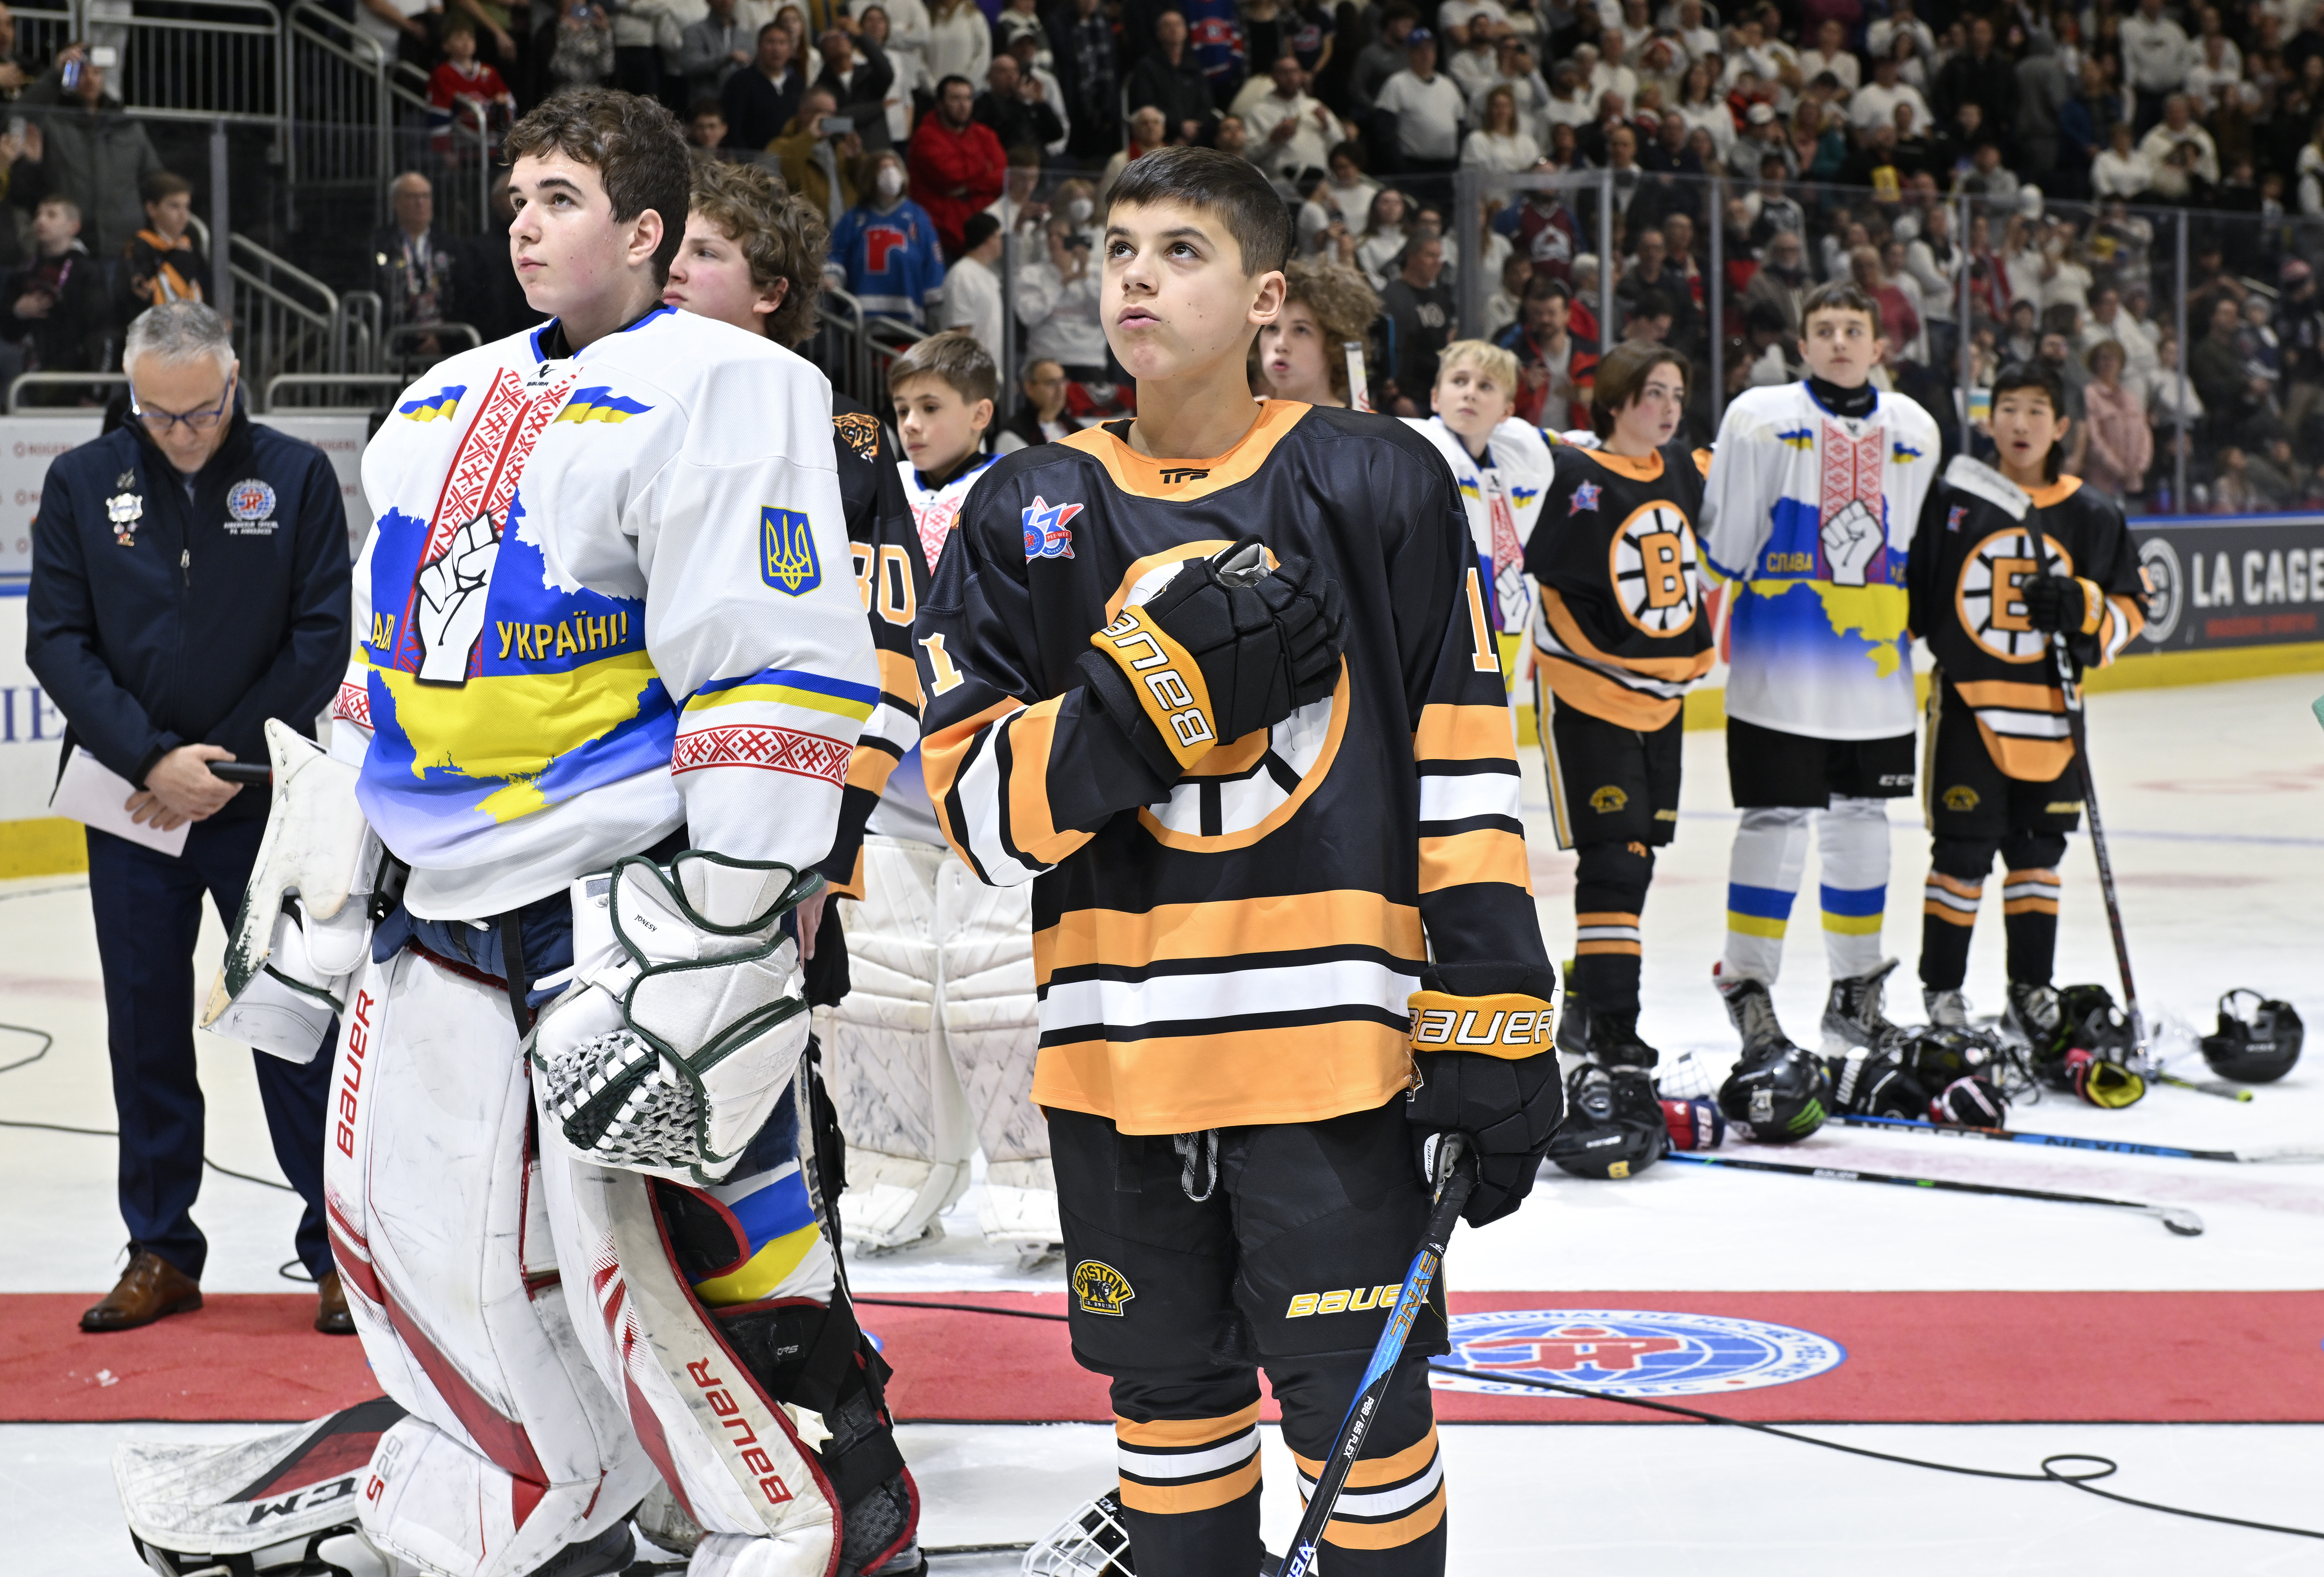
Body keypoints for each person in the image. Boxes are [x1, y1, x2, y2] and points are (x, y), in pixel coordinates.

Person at [213, 87, 915, 1577]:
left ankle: (776, 1508)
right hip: (431, 890)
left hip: (608, 894)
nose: (523, 223)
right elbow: (377, 666)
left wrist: (730, 913)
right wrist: (324, 880)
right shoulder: (438, 397)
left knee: (643, 1253)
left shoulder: (731, 385)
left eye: (561, 198)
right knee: (402, 1225)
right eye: (517, 196)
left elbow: (771, 661)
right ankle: (546, 1488)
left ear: (646, 230)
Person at [911, 142, 1556, 1577]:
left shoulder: (1372, 479)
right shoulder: (1024, 506)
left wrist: (1493, 1003)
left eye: (1179, 249)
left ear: (1267, 295)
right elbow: (969, 812)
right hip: (1116, 1062)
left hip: (1332, 1061)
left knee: (1359, 1420)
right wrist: (1139, 710)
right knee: (1169, 1414)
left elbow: (1456, 756)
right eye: (1116, 247)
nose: (1133, 272)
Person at [25, 301, 351, 1335]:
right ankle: (161, 1247)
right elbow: (58, 643)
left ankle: (339, 1249)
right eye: (159, 416)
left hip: (260, 798)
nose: (182, 435)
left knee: (293, 1025)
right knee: (146, 1029)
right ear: (131, 395)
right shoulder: (84, 483)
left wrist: (219, 757)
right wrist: (153, 759)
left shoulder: (295, 475)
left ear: (235, 379)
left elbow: (321, 636)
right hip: (131, 805)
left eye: (201, 413)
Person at [1699, 282, 1942, 1130]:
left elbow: (1912, 544)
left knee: (1866, 821)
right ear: (1802, 344)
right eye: (1824, 330)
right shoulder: (1758, 416)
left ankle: (1856, 990)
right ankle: (1751, 990)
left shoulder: (1916, 428)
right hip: (1778, 669)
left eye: (1854, 329)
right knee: (1774, 822)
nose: (1840, 341)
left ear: (1880, 344)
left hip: (1878, 678)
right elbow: (1724, 540)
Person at [1908, 360, 2146, 1044]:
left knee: (2038, 856)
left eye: (2036, 410)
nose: (2019, 423)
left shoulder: (2092, 513)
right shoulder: (1953, 499)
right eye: (2007, 407)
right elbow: (1918, 598)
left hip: (2050, 716)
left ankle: (2029, 988)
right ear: (1988, 417)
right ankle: (1943, 992)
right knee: (1960, 853)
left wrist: (2084, 606)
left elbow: (2132, 610)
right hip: (1971, 708)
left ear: (2062, 425)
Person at [1528, 341, 1714, 1173]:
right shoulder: (1574, 473)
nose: (1669, 408)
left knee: (1636, 863)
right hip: (1589, 697)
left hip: (1662, 702)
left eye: (1677, 394)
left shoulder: (1682, 470)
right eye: (1653, 394)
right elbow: (1553, 590)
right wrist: (1608, 664)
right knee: (1616, 860)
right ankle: (1611, 1028)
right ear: (1614, 400)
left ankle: (1589, 1009)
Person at [1400, 337, 1558, 643]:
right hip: (1437, 629)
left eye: (1486, 386)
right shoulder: (1411, 445)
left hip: (1504, 628)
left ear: (1506, 411)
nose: (1470, 393)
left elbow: (1551, 440)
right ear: (1435, 398)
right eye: (1459, 381)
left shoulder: (1519, 455)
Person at [18, 43, 164, 259]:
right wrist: (54, 77)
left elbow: (154, 181)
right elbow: (16, 120)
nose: (90, 79)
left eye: (97, 72)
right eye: (82, 72)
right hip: (67, 246)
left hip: (123, 247)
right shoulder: (51, 123)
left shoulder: (128, 127)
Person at [829, 148, 946, 326]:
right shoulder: (854, 218)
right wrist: (832, 276)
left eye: (894, 167)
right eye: (884, 168)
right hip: (862, 321)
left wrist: (935, 311)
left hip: (909, 320)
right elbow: (836, 254)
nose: (890, 173)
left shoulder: (917, 217)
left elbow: (933, 263)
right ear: (872, 174)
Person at [0, 194, 107, 378]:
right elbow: (7, 330)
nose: (41, 221)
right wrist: (18, 312)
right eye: (38, 215)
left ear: (74, 227)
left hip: (76, 366)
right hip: (32, 366)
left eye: (51, 215)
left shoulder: (87, 272)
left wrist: (95, 391)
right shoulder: (23, 271)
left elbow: (100, 330)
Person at [1254, 255, 1379, 406]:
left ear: (1335, 344)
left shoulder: (1360, 427)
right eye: (1272, 328)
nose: (1281, 345)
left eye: (1301, 330)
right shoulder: (1237, 422)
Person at [907, 72, 1005, 256]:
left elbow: (1002, 178)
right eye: (955, 99)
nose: (964, 106)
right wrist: (985, 170)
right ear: (940, 104)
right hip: (942, 236)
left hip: (983, 235)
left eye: (968, 99)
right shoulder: (926, 137)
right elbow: (951, 177)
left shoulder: (985, 135)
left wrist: (967, 188)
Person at [369, 171, 456, 363]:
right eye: (412, 197)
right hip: (396, 340)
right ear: (396, 202)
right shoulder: (380, 245)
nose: (420, 203)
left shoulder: (450, 245)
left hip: (444, 340)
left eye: (425, 196)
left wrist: (442, 339)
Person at [1496, 273, 1596, 430]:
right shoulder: (1518, 354)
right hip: (1531, 439)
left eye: (1551, 313)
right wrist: (1527, 388)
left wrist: (1587, 400)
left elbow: (1605, 407)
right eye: (1539, 313)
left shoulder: (1590, 355)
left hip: (1576, 440)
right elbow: (1500, 404)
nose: (1545, 319)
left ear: (1567, 315)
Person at [113, 171, 209, 333]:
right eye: (174, 206)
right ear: (152, 209)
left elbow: (207, 287)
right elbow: (138, 295)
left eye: (187, 206)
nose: (183, 215)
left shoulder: (191, 247)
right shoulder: (139, 247)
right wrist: (178, 261)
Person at [1379, 232, 1453, 414]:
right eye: (1430, 256)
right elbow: (1385, 349)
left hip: (1437, 397)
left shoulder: (1441, 298)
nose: (1438, 262)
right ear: (1412, 257)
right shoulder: (1392, 297)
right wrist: (1395, 397)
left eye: (1439, 256)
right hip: (1405, 399)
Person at [426, 23, 516, 160]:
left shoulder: (489, 72)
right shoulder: (442, 74)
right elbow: (438, 112)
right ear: (446, 46)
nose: (466, 42)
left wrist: (502, 107)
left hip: (489, 145)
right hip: (459, 147)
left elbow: (509, 104)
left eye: (470, 38)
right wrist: (445, 151)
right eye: (459, 38)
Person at [719, 20, 804, 148]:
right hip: (753, 161)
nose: (776, 49)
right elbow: (734, 129)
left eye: (782, 43)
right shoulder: (740, 82)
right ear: (759, 46)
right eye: (771, 42)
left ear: (790, 49)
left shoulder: (798, 84)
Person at [939, 208, 1004, 352]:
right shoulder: (962, 275)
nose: (1002, 243)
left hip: (991, 367)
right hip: (972, 369)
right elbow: (959, 330)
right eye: (1000, 237)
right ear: (989, 239)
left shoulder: (990, 277)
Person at [676, 0, 753, 101]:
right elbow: (689, 65)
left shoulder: (745, 36)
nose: (726, 1)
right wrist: (727, 58)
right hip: (706, 105)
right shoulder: (695, 32)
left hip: (739, 103)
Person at [994, 352, 1071, 449]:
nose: (1060, 389)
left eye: (1063, 381)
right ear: (1029, 388)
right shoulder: (1013, 436)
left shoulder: (1074, 428)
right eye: (1052, 383)